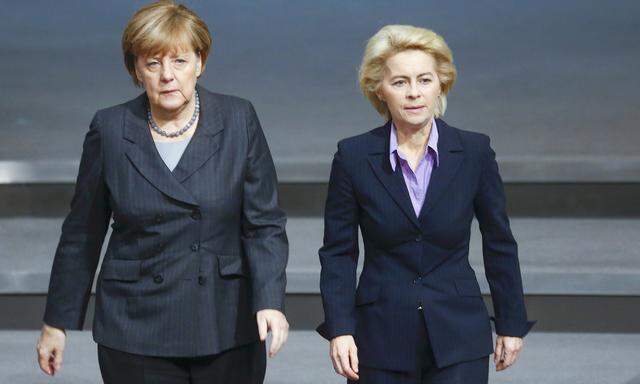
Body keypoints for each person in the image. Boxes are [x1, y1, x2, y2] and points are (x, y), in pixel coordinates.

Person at [35, 1, 289, 382]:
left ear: (200, 62)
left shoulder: (238, 120)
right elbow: (82, 233)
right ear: (136, 69)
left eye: (180, 61)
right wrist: (57, 321)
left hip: (224, 319)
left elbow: (264, 223)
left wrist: (270, 300)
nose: (167, 75)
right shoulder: (110, 129)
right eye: (153, 63)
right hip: (136, 325)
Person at [317, 25, 535, 383]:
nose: (414, 93)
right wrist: (341, 329)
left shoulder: (474, 152)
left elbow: (499, 242)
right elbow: (338, 253)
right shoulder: (353, 157)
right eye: (400, 82)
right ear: (379, 89)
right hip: (380, 336)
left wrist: (511, 322)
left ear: (441, 84)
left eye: (424, 80)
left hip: (459, 335)